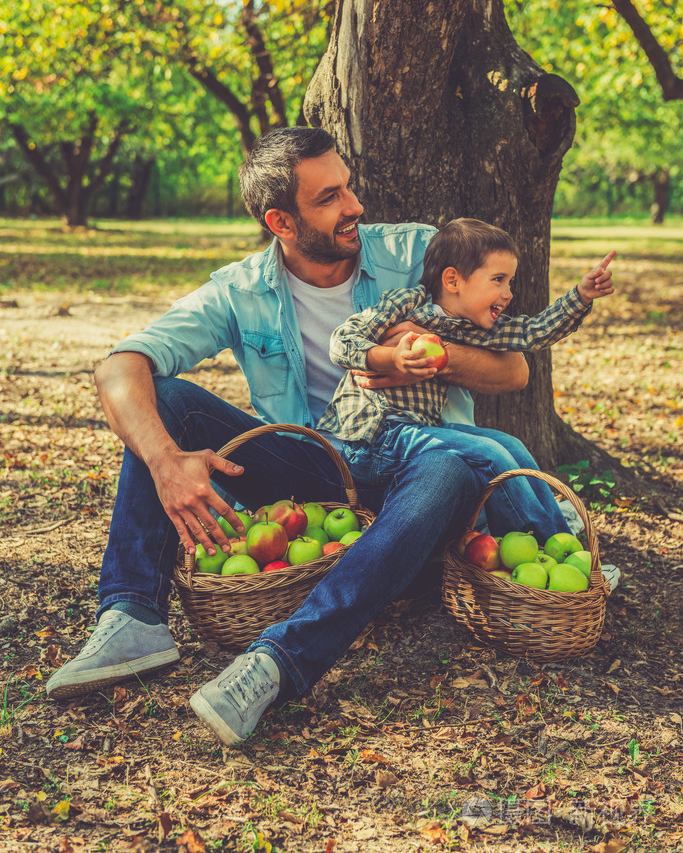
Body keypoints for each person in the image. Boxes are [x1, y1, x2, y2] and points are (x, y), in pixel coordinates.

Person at [45, 127, 532, 748]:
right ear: (280, 221)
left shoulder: (417, 252)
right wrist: (166, 462)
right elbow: (119, 367)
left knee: (447, 467)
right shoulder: (240, 289)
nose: (354, 206)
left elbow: (514, 372)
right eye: (329, 197)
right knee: (165, 400)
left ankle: (278, 662)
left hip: (421, 468)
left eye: (347, 186)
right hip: (317, 470)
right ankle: (134, 615)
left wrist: (429, 357)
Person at [317, 218, 616, 538]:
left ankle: (563, 542)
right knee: (490, 456)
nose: (508, 294)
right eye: (498, 280)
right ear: (452, 280)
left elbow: (534, 332)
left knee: (510, 446)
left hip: (418, 432)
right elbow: (342, 341)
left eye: (510, 282)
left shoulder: (476, 330)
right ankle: (545, 544)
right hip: (374, 440)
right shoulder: (407, 303)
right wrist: (391, 358)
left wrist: (581, 296)